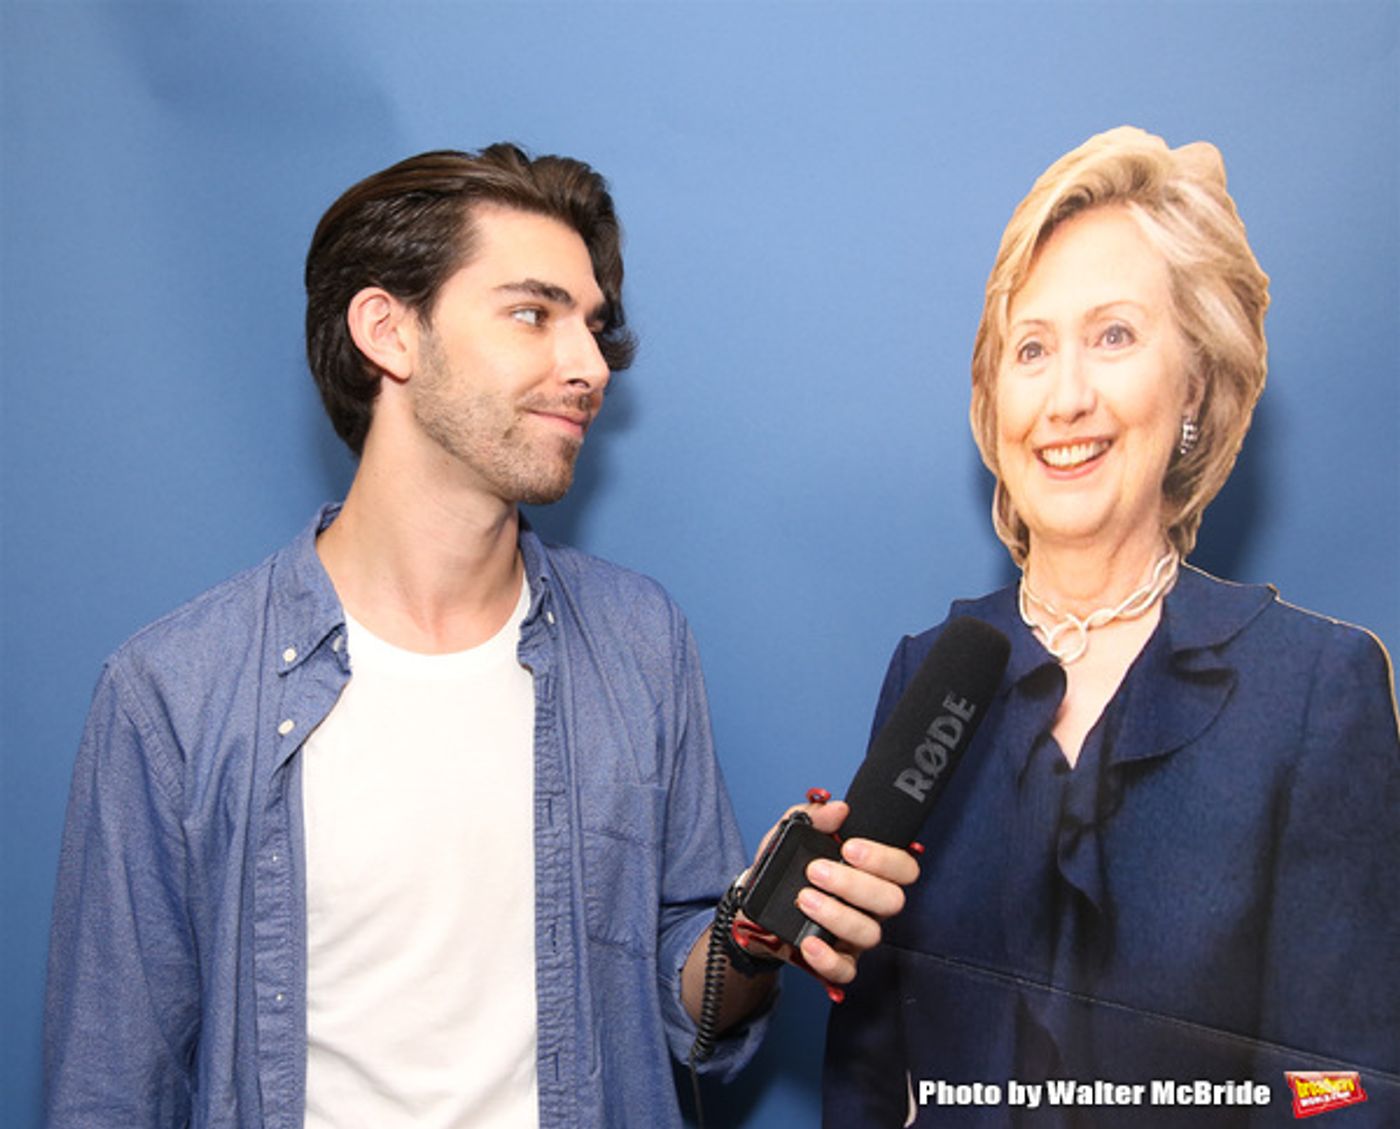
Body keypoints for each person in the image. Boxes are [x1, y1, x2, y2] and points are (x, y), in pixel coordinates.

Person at [44, 144, 917, 1129]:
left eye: (590, 326)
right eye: (531, 313)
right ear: (389, 332)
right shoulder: (172, 692)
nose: (589, 366)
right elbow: (108, 1093)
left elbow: (694, 1022)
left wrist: (752, 935)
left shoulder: (639, 640)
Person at [823, 127, 1400, 1127]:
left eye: (1114, 336)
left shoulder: (1316, 686)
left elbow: (1344, 1085)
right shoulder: (929, 675)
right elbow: (866, 1081)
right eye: (1031, 348)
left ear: (1193, 387)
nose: (1065, 397)